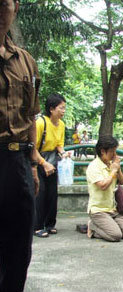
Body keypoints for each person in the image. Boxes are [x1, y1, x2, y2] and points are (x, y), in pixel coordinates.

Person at [0, 0, 40, 290]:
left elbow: (31, 115)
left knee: (19, 244)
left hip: (17, 162)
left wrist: (34, 164)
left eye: (8, 2)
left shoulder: (25, 60)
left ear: (15, 8)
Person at [86, 136, 123, 242]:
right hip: (98, 210)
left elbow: (122, 181)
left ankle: (110, 225)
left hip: (114, 209)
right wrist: (113, 172)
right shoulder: (93, 167)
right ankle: (93, 227)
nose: (114, 155)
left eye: (115, 151)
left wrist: (117, 169)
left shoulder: (112, 164)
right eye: (112, 152)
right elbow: (103, 186)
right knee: (115, 236)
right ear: (102, 151)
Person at [34, 93, 69, 238]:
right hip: (39, 161)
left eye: (64, 108)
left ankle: (50, 224)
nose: (63, 111)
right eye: (61, 108)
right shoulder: (40, 123)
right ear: (51, 109)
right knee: (40, 195)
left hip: (53, 162)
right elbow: (32, 148)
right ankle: (37, 227)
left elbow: (59, 145)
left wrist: (63, 153)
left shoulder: (61, 125)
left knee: (52, 194)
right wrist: (43, 163)